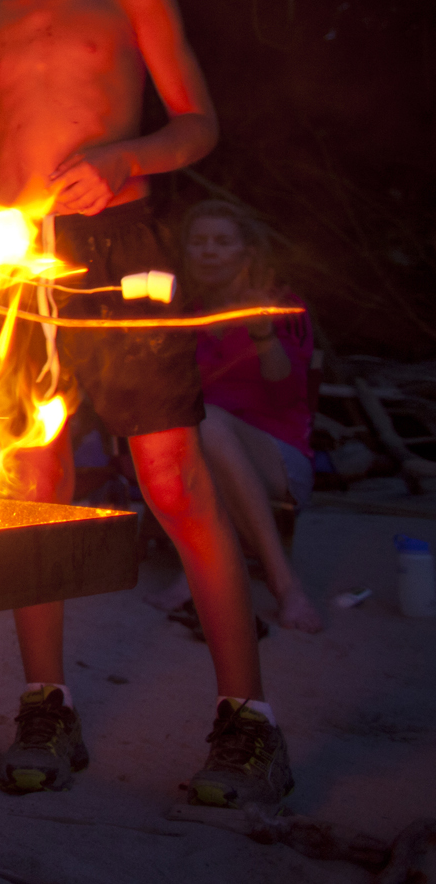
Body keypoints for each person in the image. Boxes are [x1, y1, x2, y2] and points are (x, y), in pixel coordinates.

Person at [0, 0, 291, 807]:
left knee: (171, 477)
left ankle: (246, 720)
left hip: (124, 253)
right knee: (30, 490)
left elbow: (195, 124)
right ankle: (44, 703)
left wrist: (124, 156)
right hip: (13, 265)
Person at [143, 201, 322, 632]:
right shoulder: (185, 315)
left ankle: (283, 584)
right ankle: (199, 571)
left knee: (208, 422)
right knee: (188, 425)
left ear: (247, 252)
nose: (208, 252)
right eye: (198, 242)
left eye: (222, 242)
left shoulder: (281, 307)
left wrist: (262, 337)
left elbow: (288, 397)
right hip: (203, 455)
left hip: (277, 459)